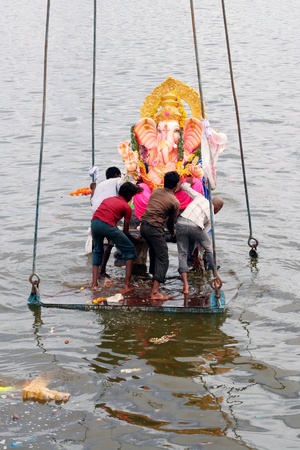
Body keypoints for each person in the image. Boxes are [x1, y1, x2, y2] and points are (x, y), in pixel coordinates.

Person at [91, 182, 142, 292]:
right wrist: (134, 239)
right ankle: (126, 286)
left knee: (97, 251)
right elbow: (126, 232)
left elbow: (105, 214)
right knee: (129, 251)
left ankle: (94, 284)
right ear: (129, 196)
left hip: (94, 223)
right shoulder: (126, 207)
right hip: (107, 225)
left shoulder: (108, 199)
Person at [176, 176, 224, 294]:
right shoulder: (211, 215)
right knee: (210, 250)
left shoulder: (200, 197)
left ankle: (186, 287)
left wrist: (189, 182)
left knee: (182, 253)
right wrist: (198, 254)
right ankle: (215, 278)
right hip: (195, 225)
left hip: (181, 222)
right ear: (217, 208)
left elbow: (185, 187)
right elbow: (202, 237)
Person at [140, 171, 181, 300]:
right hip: (154, 228)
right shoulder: (174, 201)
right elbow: (170, 222)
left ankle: (154, 279)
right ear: (176, 185)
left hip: (143, 226)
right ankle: (155, 292)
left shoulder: (156, 191)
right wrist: (173, 233)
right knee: (163, 258)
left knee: (153, 252)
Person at [89, 166, 123, 278]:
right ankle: (101, 271)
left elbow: (91, 201)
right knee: (107, 244)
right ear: (116, 175)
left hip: (96, 215)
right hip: (107, 213)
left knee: (98, 245)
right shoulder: (117, 181)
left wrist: (93, 189)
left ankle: (96, 272)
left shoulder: (100, 185)